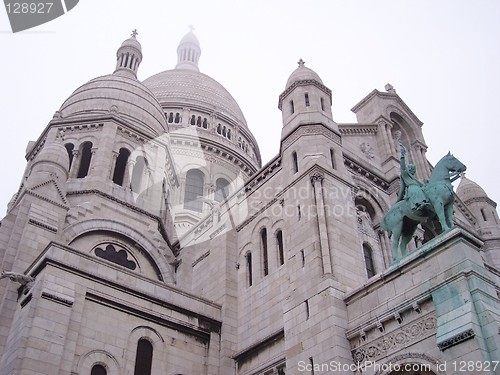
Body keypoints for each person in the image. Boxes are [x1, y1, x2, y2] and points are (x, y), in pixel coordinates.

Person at [397, 143, 428, 211]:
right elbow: (403, 167)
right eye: (411, 169)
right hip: (412, 189)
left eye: (413, 170)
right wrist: (402, 156)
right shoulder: (405, 175)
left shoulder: (414, 179)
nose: (413, 171)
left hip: (418, 189)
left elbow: (422, 185)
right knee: (416, 190)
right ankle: (419, 204)